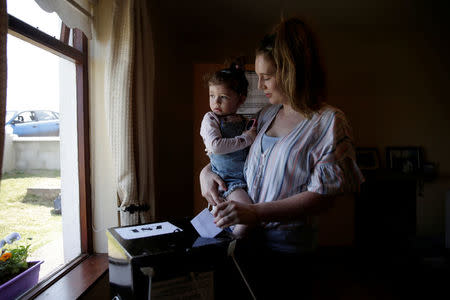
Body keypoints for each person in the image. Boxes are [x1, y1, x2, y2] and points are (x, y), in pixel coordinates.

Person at [200, 17, 364, 299]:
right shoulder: (265, 115)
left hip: (288, 254)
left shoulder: (328, 122)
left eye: (267, 76)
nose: (260, 83)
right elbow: (239, 159)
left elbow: (324, 196)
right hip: (249, 245)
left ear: (293, 72)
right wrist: (205, 174)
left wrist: (254, 213)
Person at [200, 61, 257, 238]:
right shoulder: (211, 119)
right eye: (211, 95)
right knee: (246, 214)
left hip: (247, 177)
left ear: (241, 99)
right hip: (228, 180)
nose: (215, 102)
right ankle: (233, 246)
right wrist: (246, 138)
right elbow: (215, 146)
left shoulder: (242, 120)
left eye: (223, 97)